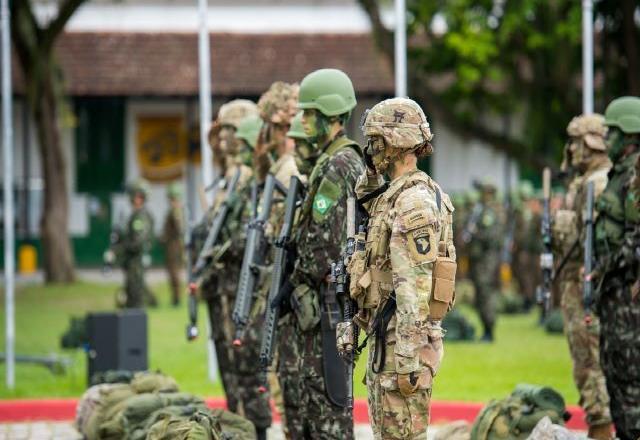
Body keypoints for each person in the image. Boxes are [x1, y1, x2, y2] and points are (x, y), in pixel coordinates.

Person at [346, 97, 455, 439]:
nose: (370, 148)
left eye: (376, 141)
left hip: (401, 345)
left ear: (396, 142)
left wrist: (408, 361)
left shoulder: (414, 203)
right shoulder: (392, 194)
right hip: (386, 336)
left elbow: (414, 288)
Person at [277, 68, 364, 438]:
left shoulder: (339, 164)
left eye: (308, 114)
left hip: (327, 308)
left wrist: (293, 281)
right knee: (309, 411)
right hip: (320, 307)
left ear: (330, 115)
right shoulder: (329, 164)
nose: (302, 121)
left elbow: (322, 245)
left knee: (327, 414)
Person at [195, 99, 259, 431]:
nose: (222, 141)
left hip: (242, 293)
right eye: (221, 133)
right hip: (222, 292)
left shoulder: (250, 179)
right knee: (231, 378)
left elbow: (247, 236)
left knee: (246, 378)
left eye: (230, 132)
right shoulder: (228, 178)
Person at [551, 114, 612, 439]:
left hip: (589, 284)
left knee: (590, 360)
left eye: (575, 142)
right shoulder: (588, 182)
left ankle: (601, 427)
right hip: (578, 280)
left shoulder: (598, 184)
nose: (571, 150)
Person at [593, 96, 640, 440]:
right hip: (614, 291)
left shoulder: (636, 175)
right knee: (615, 375)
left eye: (611, 133)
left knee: (631, 379)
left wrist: (607, 268)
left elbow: (637, 238)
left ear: (629, 135)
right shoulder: (620, 174)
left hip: (629, 293)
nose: (606, 141)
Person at [106, 179, 157, 309]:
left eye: (133, 195)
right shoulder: (136, 215)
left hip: (136, 264)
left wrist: (117, 250)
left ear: (139, 197)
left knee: (135, 301)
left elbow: (137, 243)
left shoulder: (141, 217)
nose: (131, 198)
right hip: (131, 264)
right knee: (130, 300)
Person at [466, 180, 502, 341]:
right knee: (480, 293)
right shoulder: (480, 210)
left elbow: (492, 237)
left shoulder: (490, 212)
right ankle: (486, 329)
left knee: (485, 293)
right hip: (478, 259)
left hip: (487, 259)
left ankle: (489, 329)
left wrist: (475, 233)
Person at [162, 182, 184, 307]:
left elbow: (179, 228)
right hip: (171, 245)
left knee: (174, 273)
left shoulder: (176, 211)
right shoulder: (175, 210)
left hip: (174, 247)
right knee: (172, 272)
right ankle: (175, 298)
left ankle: (176, 299)